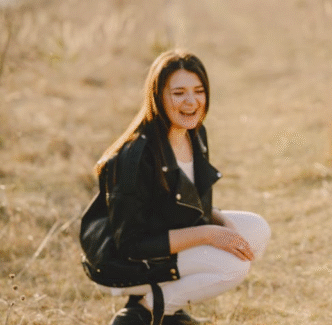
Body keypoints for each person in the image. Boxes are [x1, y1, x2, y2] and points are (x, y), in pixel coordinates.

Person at [80, 50, 271, 325]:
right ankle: (143, 312)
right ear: (158, 96)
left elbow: (184, 204)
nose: (191, 102)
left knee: (256, 230)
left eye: (199, 91)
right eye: (178, 93)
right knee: (233, 266)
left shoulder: (195, 133)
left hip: (163, 240)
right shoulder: (136, 156)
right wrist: (208, 234)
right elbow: (131, 244)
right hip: (122, 262)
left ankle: (169, 309)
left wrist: (223, 225)